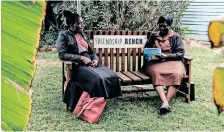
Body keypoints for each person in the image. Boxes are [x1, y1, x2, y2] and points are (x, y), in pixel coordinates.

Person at [56, 11, 122, 111]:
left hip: (90, 62)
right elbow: (62, 55)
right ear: (71, 25)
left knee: (112, 75)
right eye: (79, 23)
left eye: (82, 23)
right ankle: (94, 104)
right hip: (78, 66)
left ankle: (101, 100)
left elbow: (91, 52)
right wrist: (81, 58)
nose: (82, 25)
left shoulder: (83, 35)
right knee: (97, 78)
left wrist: (95, 59)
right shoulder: (64, 36)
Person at [142, 16, 185, 115]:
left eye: (164, 26)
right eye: (160, 26)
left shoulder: (175, 37)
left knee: (177, 73)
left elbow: (180, 53)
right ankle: (165, 102)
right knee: (155, 72)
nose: (161, 28)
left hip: (173, 61)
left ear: (169, 26)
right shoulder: (154, 36)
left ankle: (165, 104)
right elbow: (146, 49)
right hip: (156, 62)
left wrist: (166, 56)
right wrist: (150, 50)